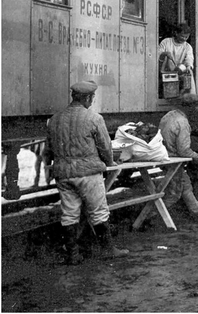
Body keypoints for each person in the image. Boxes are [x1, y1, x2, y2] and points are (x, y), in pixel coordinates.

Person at [43, 81, 128, 265]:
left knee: (69, 213)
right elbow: (105, 146)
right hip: (88, 173)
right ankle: (108, 250)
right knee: (98, 212)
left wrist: (50, 167)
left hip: (63, 174)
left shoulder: (54, 119)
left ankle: (72, 255)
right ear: (88, 98)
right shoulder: (94, 118)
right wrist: (110, 163)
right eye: (92, 97)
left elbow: (48, 149)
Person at [158, 93, 198, 222]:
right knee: (174, 194)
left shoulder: (169, 115)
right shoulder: (182, 122)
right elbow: (184, 150)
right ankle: (149, 216)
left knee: (186, 186)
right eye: (197, 105)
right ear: (191, 106)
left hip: (164, 156)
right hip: (173, 160)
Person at [159, 23, 196, 95]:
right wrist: (165, 53)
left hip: (181, 72)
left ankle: (190, 97)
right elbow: (158, 56)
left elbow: (189, 58)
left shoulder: (187, 47)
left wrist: (189, 66)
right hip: (166, 71)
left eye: (186, 37)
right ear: (176, 33)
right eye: (182, 36)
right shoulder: (166, 42)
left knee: (189, 74)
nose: (184, 39)